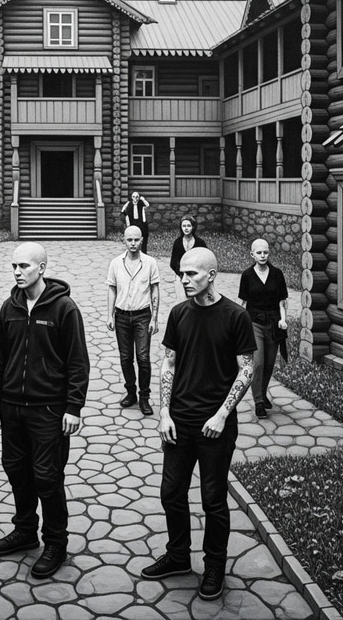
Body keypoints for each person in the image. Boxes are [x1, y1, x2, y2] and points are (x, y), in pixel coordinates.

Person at [141, 247, 255, 603]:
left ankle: (214, 566)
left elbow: (247, 369)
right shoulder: (178, 314)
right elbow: (169, 364)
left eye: (191, 274)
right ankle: (177, 556)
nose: (184, 279)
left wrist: (222, 415)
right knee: (171, 493)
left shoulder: (236, 316)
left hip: (215, 427)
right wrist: (164, 412)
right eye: (181, 274)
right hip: (179, 422)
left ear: (211, 275)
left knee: (213, 500)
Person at [0, 242, 90, 579]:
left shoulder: (64, 309)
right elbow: (0, 356)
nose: (17, 272)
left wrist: (73, 407)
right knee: (16, 470)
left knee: (48, 477)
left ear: (42, 268)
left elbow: (78, 362)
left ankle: (56, 543)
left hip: (49, 409)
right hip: (12, 407)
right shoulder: (10, 307)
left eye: (24, 266)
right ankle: (25, 531)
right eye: (14, 266)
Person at [106, 225, 160, 415]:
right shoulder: (115, 263)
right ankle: (131, 392)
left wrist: (154, 318)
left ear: (142, 240)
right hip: (121, 316)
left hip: (142, 316)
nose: (133, 243)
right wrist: (109, 314)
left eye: (136, 240)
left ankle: (144, 397)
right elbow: (112, 288)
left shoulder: (150, 262)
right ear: (124, 240)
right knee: (125, 357)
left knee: (143, 358)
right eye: (129, 240)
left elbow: (154, 290)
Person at [238, 238, 289, 419]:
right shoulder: (247, 275)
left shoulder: (277, 274)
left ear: (269, 253)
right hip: (254, 323)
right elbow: (243, 303)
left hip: (273, 324)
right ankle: (259, 401)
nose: (262, 255)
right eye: (259, 253)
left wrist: (283, 319)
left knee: (268, 364)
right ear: (252, 254)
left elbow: (282, 301)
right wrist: (239, 324)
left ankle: (263, 392)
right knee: (258, 363)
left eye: (265, 252)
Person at [169, 215, 207, 303]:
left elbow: (205, 260)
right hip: (181, 276)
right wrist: (181, 274)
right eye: (184, 226)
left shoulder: (200, 243)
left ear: (193, 227)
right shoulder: (177, 243)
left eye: (188, 226)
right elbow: (173, 263)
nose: (186, 228)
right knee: (183, 302)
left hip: (196, 277)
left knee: (197, 301)